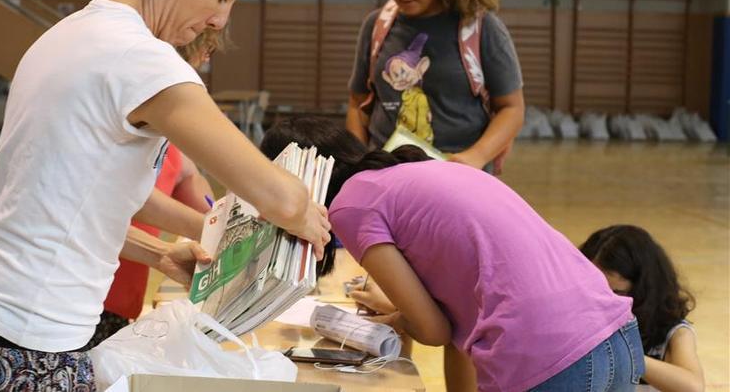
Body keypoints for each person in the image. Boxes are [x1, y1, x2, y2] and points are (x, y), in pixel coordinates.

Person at [0, 0, 331, 390]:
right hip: (25, 335)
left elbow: (80, 191)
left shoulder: (72, 32)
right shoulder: (142, 61)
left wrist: (161, 253)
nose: (220, 20)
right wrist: (305, 212)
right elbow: (278, 197)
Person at [261, 116, 644, 392]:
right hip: (616, 337)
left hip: (547, 361)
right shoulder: (417, 170)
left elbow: (433, 331)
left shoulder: (350, 205)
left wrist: (399, 318)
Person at [346, 0, 524, 174]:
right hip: (388, 176)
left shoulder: (479, 27)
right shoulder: (377, 25)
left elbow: (512, 108)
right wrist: (358, 160)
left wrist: (475, 156)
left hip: (460, 176)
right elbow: (357, 104)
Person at [90, 145, 214, 347]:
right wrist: (213, 229)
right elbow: (124, 200)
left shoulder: (162, 137)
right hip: (84, 298)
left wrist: (213, 216)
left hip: (119, 298)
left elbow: (185, 173)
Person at [581, 225, 705, 392]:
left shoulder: (672, 332)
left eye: (618, 292)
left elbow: (693, 387)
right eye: (598, 291)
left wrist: (627, 354)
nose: (607, 302)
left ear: (643, 290)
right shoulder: (579, 319)